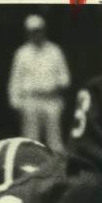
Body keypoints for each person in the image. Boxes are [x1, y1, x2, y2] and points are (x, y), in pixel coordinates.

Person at [7, 14, 70, 152]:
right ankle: (33, 171)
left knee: (55, 140)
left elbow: (65, 77)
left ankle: (58, 170)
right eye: (32, 32)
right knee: (30, 140)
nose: (36, 34)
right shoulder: (21, 53)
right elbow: (15, 80)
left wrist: (56, 87)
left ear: (43, 31)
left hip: (51, 101)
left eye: (38, 31)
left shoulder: (55, 51)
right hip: (30, 101)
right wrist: (16, 103)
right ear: (27, 33)